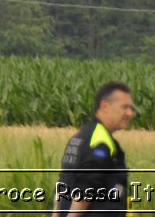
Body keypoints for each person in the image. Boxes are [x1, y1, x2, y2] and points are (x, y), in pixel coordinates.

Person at [52, 81, 136, 215]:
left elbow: (62, 185)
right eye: (124, 107)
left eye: (131, 108)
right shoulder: (100, 141)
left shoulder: (80, 137)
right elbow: (86, 189)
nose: (130, 113)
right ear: (105, 106)